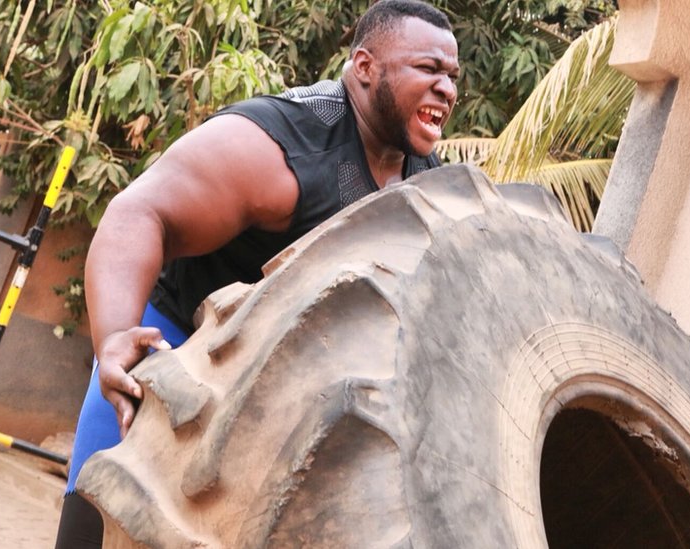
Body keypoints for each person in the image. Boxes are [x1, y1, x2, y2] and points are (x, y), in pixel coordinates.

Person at [54, 1, 459, 546]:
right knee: (94, 536)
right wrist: (114, 340)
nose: (446, 89)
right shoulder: (280, 147)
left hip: (276, 403)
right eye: (428, 70)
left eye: (452, 77)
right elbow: (137, 213)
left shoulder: (423, 184)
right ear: (365, 66)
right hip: (171, 353)